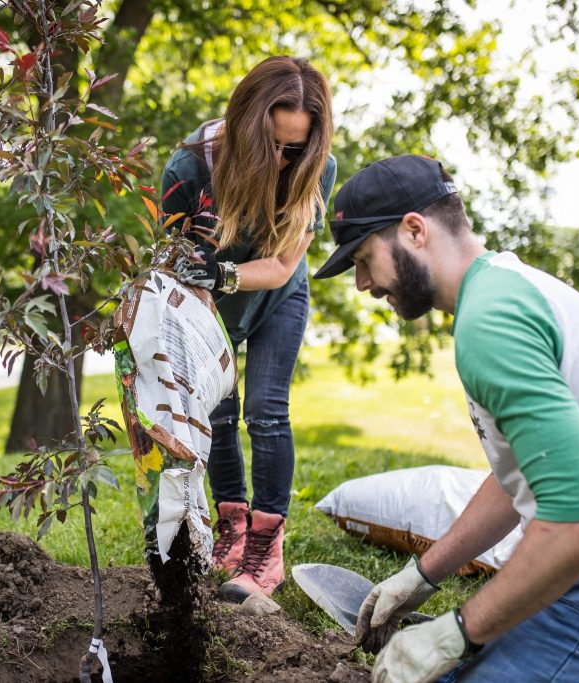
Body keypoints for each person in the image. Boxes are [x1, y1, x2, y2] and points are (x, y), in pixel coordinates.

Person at [313, 154, 579, 683]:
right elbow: (522, 479)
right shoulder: (505, 289)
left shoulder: (490, 322)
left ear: (414, 231)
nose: (363, 285)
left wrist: (456, 632)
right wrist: (422, 574)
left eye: (364, 259)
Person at [161, 56, 337, 602]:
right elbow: (178, 269)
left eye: (297, 148)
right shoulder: (189, 170)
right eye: (276, 147)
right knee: (218, 413)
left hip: (277, 296)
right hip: (211, 302)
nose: (286, 160)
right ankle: (232, 530)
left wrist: (224, 272)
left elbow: (283, 267)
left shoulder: (315, 166)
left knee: (266, 410)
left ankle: (266, 548)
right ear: (245, 127)